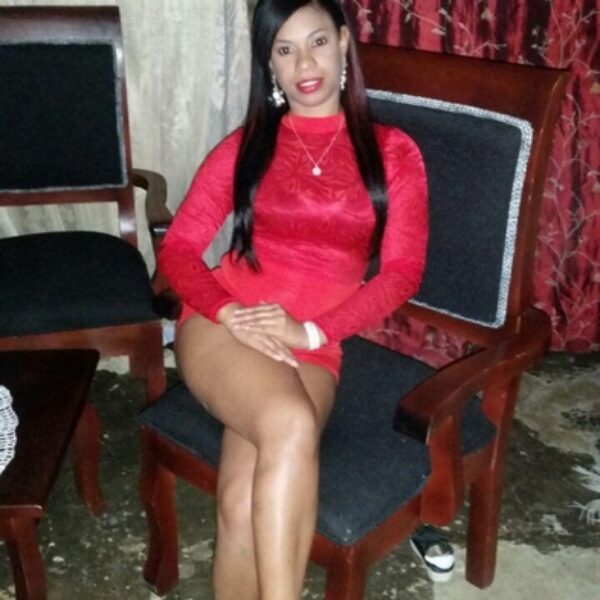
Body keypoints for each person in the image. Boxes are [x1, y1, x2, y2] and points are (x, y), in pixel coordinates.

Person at [158, 0, 428, 597]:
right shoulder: (246, 147)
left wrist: (308, 332)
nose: (304, 63)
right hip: (226, 325)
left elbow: (402, 273)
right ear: (270, 66)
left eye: (317, 42)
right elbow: (178, 249)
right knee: (289, 421)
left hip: (312, 344)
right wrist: (229, 312)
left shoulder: (393, 152)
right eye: (284, 49)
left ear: (344, 42)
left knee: (240, 503)